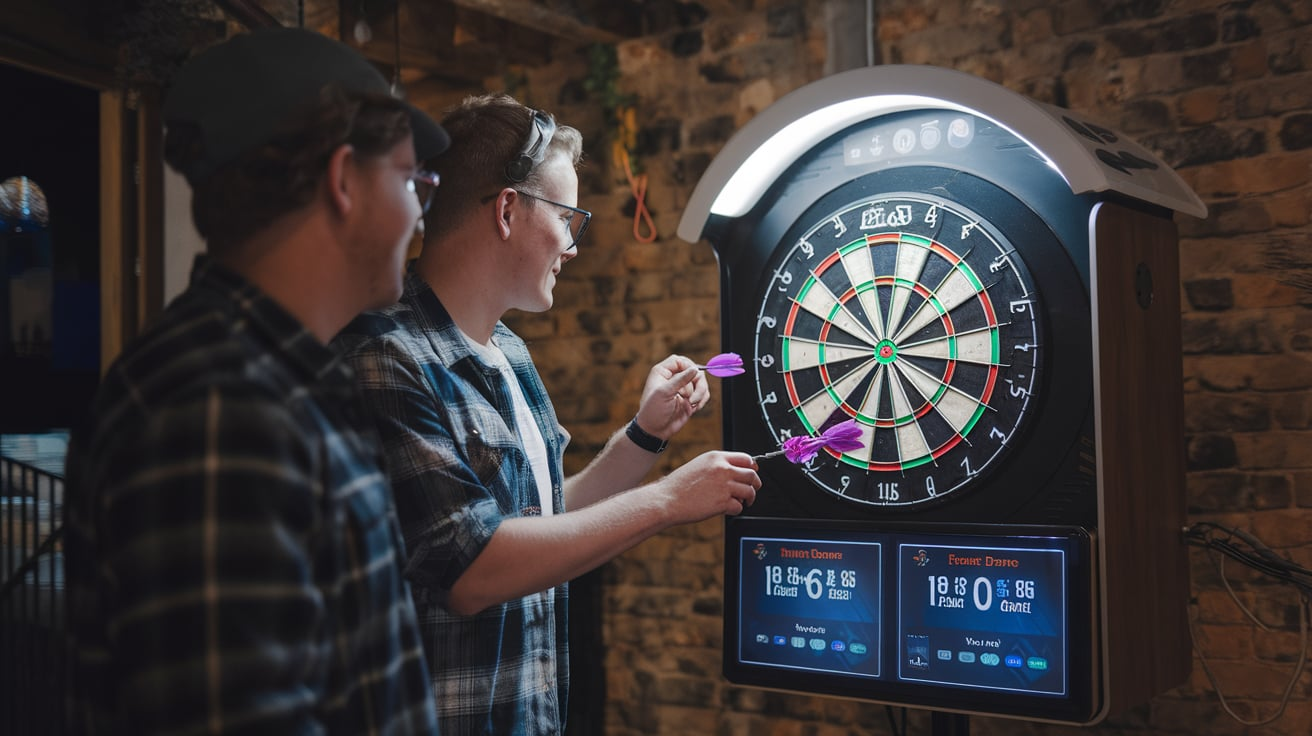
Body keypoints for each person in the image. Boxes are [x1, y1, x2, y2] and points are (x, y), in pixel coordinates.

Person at [333, 93, 761, 734]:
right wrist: (669, 501)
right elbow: (474, 570)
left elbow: (545, 518)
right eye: (568, 217)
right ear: (507, 210)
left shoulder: (510, 350)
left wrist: (644, 435)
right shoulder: (386, 356)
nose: (573, 245)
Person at [63, 27, 449, 734]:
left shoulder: (278, 382)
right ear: (342, 181)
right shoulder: (219, 408)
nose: (420, 213)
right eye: (410, 179)